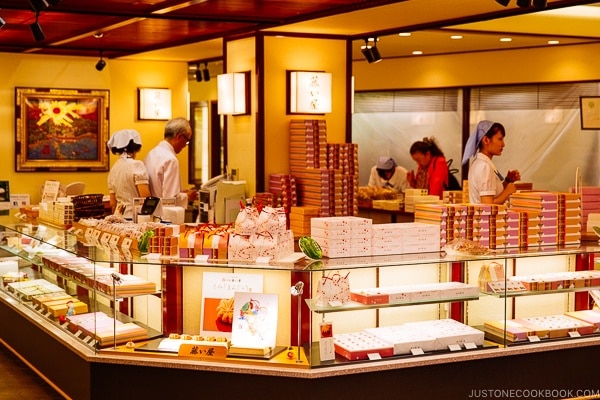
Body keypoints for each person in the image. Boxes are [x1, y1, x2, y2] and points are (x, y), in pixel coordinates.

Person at [144, 118, 198, 213]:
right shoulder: (170, 159)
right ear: (179, 136)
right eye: (187, 141)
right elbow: (170, 199)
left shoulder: (151, 154)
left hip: (150, 210)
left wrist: (181, 192)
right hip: (165, 215)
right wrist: (188, 196)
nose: (185, 146)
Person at [461, 120, 521, 204]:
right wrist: (507, 192)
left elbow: (492, 193)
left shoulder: (480, 163)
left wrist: (507, 181)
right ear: (486, 140)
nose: (503, 144)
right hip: (484, 217)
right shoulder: (484, 167)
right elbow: (487, 206)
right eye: (500, 139)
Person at [106, 129, 151, 218]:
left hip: (118, 216)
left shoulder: (115, 167)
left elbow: (113, 203)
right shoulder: (136, 165)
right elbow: (145, 197)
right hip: (134, 217)